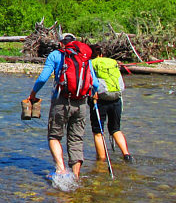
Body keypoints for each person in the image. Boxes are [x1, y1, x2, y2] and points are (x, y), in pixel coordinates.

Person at [28, 33, 100, 179]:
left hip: (60, 101)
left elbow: (43, 78)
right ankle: (75, 176)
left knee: (54, 136)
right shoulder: (85, 57)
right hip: (81, 103)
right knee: (76, 139)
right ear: (75, 43)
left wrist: (33, 93)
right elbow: (95, 84)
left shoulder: (55, 55)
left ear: (61, 43)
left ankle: (61, 170)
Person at [88, 44, 133, 162]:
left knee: (98, 132)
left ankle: (101, 162)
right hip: (116, 98)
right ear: (101, 54)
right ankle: (126, 155)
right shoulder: (112, 62)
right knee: (115, 129)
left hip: (100, 100)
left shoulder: (90, 63)